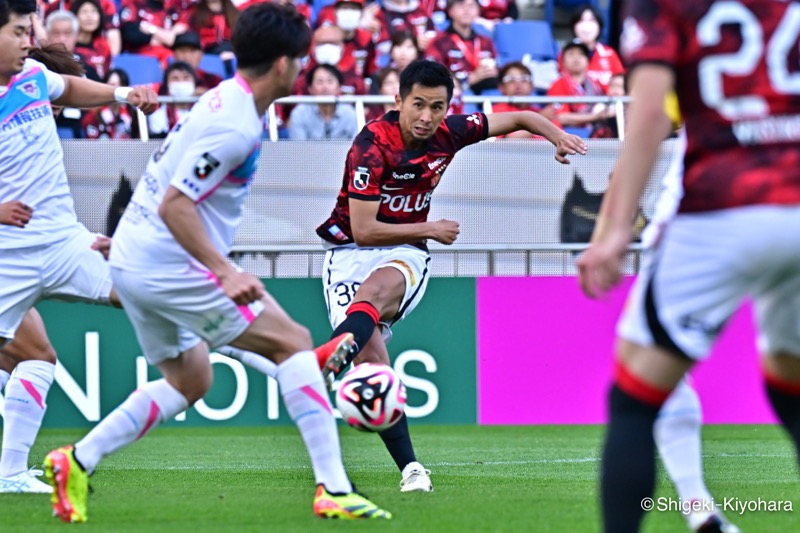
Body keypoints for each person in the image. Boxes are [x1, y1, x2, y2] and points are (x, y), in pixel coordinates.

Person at [44, 3, 391, 523]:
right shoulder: (235, 124)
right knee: (294, 343)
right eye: (298, 58)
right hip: (168, 263)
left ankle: (76, 460)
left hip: (137, 259)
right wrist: (224, 271)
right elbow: (176, 203)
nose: (300, 67)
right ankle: (334, 488)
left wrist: (129, 240)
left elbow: (164, 175)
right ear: (282, 64)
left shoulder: (224, 99)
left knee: (192, 381)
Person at [577, 1, 800, 532]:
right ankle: (701, 513)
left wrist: (611, 231)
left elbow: (650, 114)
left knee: (634, 398)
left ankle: (695, 512)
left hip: (717, 206)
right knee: (790, 386)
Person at [314, 59, 586, 492]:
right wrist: (431, 227)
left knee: (377, 290)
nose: (427, 117)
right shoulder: (370, 146)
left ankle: (328, 355)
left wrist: (556, 135)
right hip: (350, 250)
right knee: (373, 366)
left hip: (404, 251)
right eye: (418, 104)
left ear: (447, 107)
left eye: (437, 107)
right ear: (398, 100)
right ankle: (411, 468)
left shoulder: (451, 132)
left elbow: (519, 116)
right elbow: (364, 232)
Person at [0, 0, 158, 493]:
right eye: (18, 32)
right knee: (36, 357)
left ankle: (282, 359)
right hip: (5, 256)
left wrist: (122, 92)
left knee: (144, 287)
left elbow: (70, 86)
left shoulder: (31, 77)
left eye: (30, 30)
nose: (29, 41)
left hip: (64, 242)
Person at [424, 0, 498, 94]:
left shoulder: (486, 42)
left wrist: (494, 72)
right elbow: (433, 75)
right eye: (461, 5)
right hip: (453, 96)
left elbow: (498, 69)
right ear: (450, 11)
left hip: (487, 93)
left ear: (478, 11)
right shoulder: (439, 42)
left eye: (471, 6)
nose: (466, 10)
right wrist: (469, 80)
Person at [547, 38, 610, 137]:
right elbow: (561, 117)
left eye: (581, 54)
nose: (576, 58)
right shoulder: (558, 84)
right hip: (570, 137)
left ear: (588, 61)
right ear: (562, 61)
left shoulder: (596, 84)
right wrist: (596, 117)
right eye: (571, 54)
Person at [559, 4, 624, 93]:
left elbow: (620, 81)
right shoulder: (565, 53)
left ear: (599, 25)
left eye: (591, 20)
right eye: (581, 20)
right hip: (576, 104)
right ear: (574, 25)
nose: (586, 26)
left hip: (608, 104)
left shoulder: (609, 53)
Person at [289, 63, 358, 140]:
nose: (325, 87)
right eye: (320, 81)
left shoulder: (350, 114)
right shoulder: (299, 114)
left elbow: (357, 149)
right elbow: (298, 149)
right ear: (310, 88)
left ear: (339, 87)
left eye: (330, 81)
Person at [147, 61, 198, 137]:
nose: (181, 82)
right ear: (167, 85)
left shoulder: (204, 112)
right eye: (175, 78)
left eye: (186, 77)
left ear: (194, 82)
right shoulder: (158, 116)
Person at [82, 68, 135, 139]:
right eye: (113, 85)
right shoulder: (93, 116)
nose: (119, 90)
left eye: (121, 85)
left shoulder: (132, 114)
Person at [71, 0, 111, 79]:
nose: (89, 16)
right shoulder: (69, 45)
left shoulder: (103, 46)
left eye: (94, 11)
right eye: (84, 11)